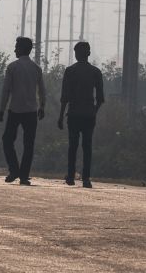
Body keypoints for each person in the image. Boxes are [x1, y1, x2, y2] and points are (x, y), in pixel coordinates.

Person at [0, 36, 46, 185]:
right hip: (31, 111)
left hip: (15, 110)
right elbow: (42, 91)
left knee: (7, 140)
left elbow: (6, 90)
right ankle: (24, 176)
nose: (14, 50)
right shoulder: (36, 68)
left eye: (17, 47)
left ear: (23, 49)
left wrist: (2, 109)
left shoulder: (12, 67)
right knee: (28, 144)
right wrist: (42, 106)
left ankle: (14, 169)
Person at [57, 40, 104, 188]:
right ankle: (86, 178)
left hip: (74, 114)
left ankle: (70, 176)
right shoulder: (95, 72)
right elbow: (100, 98)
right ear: (88, 53)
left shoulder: (70, 71)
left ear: (76, 54)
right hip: (89, 115)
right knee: (87, 146)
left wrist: (60, 116)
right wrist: (94, 111)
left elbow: (65, 96)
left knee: (73, 145)